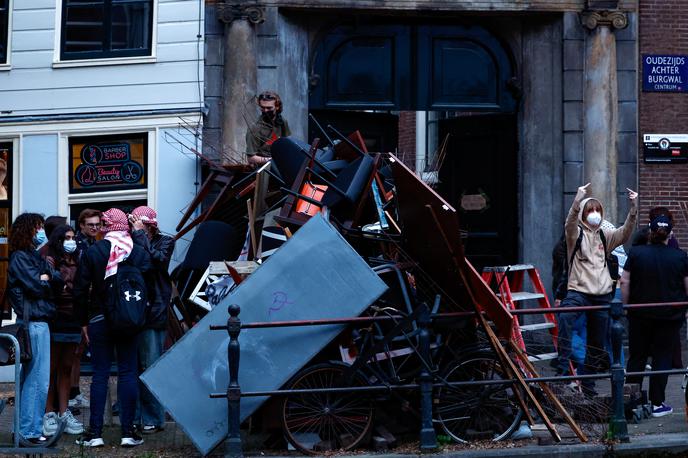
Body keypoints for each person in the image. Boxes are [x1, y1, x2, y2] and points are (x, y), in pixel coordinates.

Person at [73, 208, 151, 448]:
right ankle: (128, 432)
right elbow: (149, 283)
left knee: (100, 374)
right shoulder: (137, 251)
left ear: (107, 226)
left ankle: (95, 433)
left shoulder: (94, 251)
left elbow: (79, 290)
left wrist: (83, 322)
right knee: (128, 372)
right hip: (129, 319)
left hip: (99, 319)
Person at [555, 183, 638, 396]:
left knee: (596, 344)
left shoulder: (605, 235)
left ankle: (589, 388)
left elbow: (624, 234)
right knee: (565, 318)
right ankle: (562, 369)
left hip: (601, 296)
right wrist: (577, 200)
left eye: (597, 211)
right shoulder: (575, 234)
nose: (594, 214)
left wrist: (633, 208)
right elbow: (569, 223)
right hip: (578, 291)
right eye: (590, 210)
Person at [621, 215, 688, 417]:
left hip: (640, 314)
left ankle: (631, 402)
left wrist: (625, 307)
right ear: (670, 234)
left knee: (637, 356)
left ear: (650, 232)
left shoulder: (636, 253)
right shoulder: (680, 256)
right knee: (662, 358)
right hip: (669, 315)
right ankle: (658, 403)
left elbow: (624, 282)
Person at [8, 213, 63, 443]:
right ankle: (28, 431)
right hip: (32, 323)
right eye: (38, 227)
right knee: (36, 379)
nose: (42, 232)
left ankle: (25, 428)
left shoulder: (32, 255)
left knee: (36, 378)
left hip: (40, 322)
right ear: (28, 230)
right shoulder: (21, 257)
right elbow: (36, 287)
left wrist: (47, 278)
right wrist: (46, 279)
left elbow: (57, 280)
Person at [129, 206, 175, 434]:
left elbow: (156, 262)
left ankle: (154, 418)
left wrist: (139, 236)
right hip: (134, 310)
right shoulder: (132, 240)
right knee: (134, 367)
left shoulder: (166, 241)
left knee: (150, 365)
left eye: (142, 225)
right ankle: (136, 416)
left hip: (153, 311)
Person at [41, 225, 84, 436]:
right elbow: (52, 286)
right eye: (67, 237)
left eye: (73, 237)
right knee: (51, 368)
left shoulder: (78, 259)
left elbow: (81, 286)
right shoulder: (50, 259)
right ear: (58, 240)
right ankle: (49, 412)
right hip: (56, 317)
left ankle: (64, 412)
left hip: (73, 317)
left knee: (67, 366)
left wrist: (69, 288)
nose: (71, 240)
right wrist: (66, 287)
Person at [69, 208, 101, 411]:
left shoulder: (95, 243)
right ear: (81, 225)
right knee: (74, 351)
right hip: (78, 302)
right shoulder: (76, 246)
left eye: (97, 225)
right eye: (91, 225)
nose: (95, 228)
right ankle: (71, 392)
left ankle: (76, 391)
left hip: (89, 303)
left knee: (79, 350)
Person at [245, 91, 291, 167]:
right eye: (262, 108)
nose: (265, 111)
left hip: (281, 165)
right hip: (263, 168)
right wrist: (272, 160)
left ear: (277, 107)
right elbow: (251, 158)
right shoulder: (254, 128)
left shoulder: (282, 121)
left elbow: (287, 143)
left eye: (269, 108)